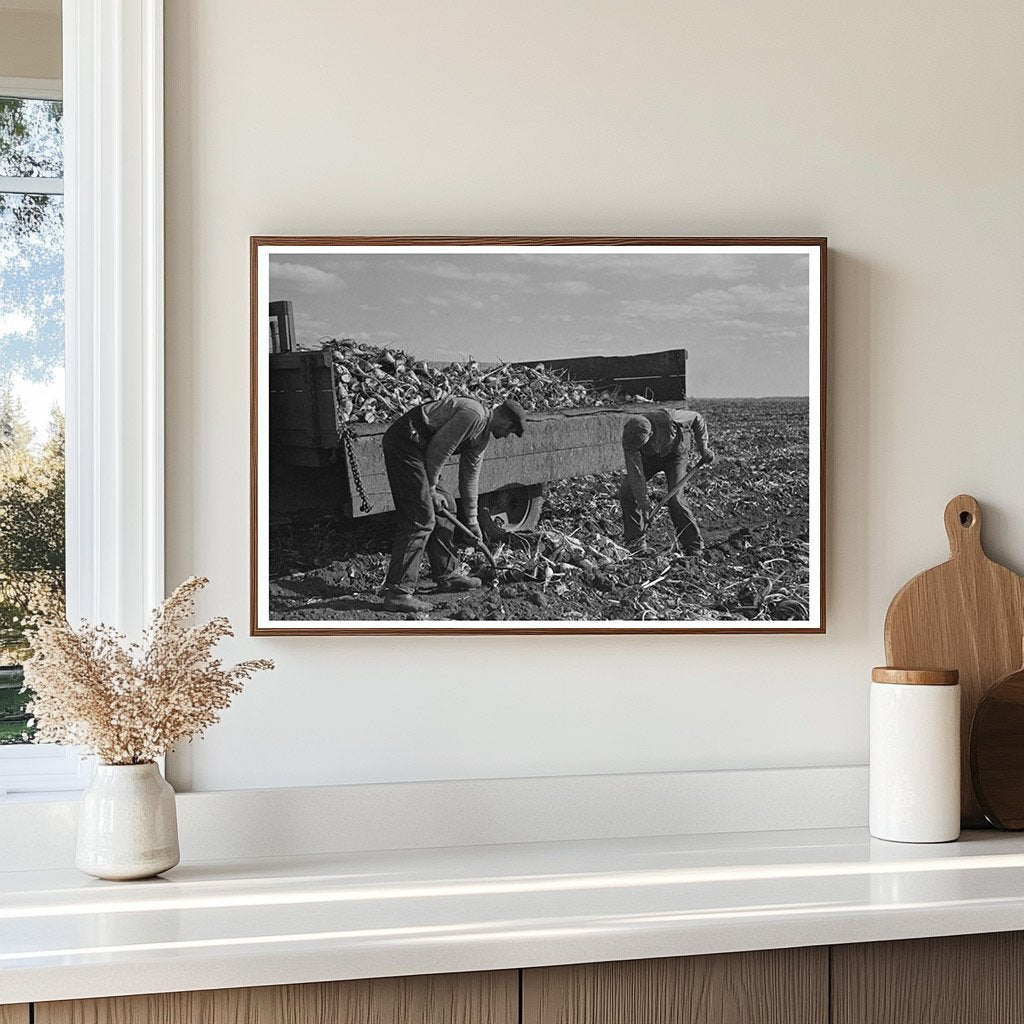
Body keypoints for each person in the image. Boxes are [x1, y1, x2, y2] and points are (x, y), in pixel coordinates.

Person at [381, 396, 527, 612]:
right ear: (505, 420)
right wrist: (430, 490)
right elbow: (438, 450)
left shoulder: (482, 436)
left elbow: (469, 477)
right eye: (510, 431)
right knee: (420, 518)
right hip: (405, 444)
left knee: (448, 505)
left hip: (422, 452)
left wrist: (472, 520)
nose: (506, 436)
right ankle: (398, 593)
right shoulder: (473, 415)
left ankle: (447, 574)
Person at [618, 407, 715, 555]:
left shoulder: (670, 417)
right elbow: (635, 475)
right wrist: (644, 504)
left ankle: (694, 546)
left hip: (675, 456)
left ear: (651, 434)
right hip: (649, 460)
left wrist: (703, 448)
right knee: (627, 492)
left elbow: (697, 418)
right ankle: (635, 542)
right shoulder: (630, 438)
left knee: (675, 499)